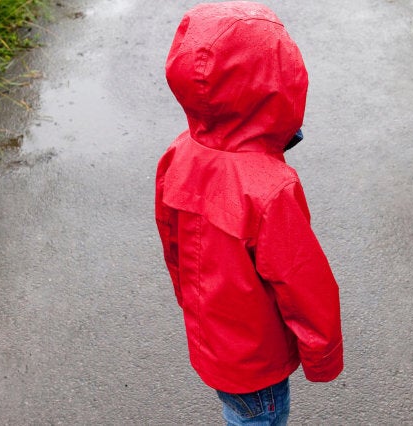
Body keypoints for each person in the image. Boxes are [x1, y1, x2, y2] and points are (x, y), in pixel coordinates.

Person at [155, 2, 343, 424]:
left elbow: (172, 241)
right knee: (259, 418)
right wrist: (323, 355)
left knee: (238, 412)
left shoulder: (178, 154)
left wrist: (190, 300)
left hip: (213, 342)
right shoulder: (271, 188)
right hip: (257, 357)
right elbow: (301, 281)